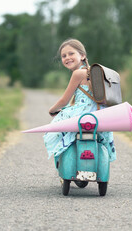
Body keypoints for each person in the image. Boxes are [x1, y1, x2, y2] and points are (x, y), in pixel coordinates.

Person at [43, 38, 116, 167]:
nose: (67, 58)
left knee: (53, 131)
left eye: (71, 53)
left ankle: (61, 159)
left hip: (83, 113)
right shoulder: (91, 73)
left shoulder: (78, 73)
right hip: (100, 113)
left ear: (82, 55)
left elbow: (64, 101)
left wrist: (52, 110)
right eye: (63, 56)